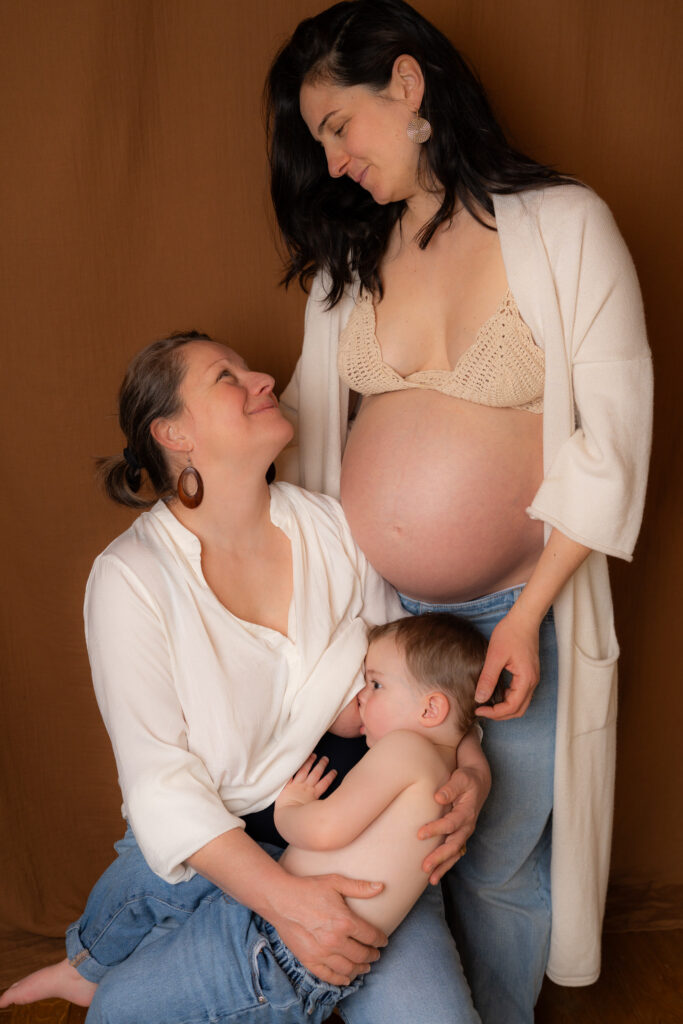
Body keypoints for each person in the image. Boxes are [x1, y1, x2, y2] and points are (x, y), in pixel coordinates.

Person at [265, 1, 653, 1020]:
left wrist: (526, 616)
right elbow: (311, 442)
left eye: (337, 126)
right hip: (375, 624)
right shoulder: (350, 264)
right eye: (318, 145)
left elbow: (611, 427)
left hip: (507, 613)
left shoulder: (563, 225)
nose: (334, 160)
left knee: (484, 853)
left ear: (405, 85)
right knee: (382, 849)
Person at [0, 331, 485, 1024]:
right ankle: (107, 959)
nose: (262, 378)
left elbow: (417, 681)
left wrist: (472, 771)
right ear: (173, 432)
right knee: (131, 1007)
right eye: (227, 377)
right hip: (224, 854)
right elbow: (160, 783)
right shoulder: (131, 579)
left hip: (362, 845)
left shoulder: (334, 529)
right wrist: (286, 903)